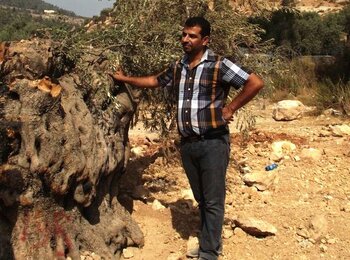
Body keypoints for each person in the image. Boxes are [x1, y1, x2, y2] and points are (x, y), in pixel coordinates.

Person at [110, 16, 264, 260]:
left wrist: (231, 108)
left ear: (205, 40)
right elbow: (155, 81)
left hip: (213, 142)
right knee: (202, 199)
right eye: (184, 35)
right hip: (188, 144)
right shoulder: (179, 66)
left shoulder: (219, 64)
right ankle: (207, 242)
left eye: (192, 36)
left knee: (213, 201)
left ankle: (210, 253)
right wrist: (126, 79)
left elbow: (255, 83)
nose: (185, 39)